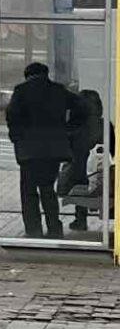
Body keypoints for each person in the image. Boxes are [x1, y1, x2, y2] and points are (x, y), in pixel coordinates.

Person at [7, 62, 86, 238]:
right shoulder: (58, 90)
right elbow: (81, 106)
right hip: (53, 150)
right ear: (46, 74)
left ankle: (33, 229)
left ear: (28, 75)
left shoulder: (21, 90)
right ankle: (54, 228)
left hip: (29, 150)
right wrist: (68, 128)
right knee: (48, 189)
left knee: (28, 191)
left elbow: (11, 116)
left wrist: (17, 136)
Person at [59, 88, 105, 232]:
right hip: (98, 172)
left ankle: (80, 219)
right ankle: (80, 219)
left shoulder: (73, 127)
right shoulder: (104, 125)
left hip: (77, 170)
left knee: (79, 187)